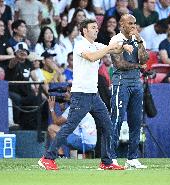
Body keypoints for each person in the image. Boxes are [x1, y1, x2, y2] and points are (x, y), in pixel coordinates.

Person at [38, 19, 126, 170]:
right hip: (80, 94)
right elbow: (92, 57)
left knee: (107, 125)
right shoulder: (80, 44)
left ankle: (106, 162)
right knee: (70, 126)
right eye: (93, 27)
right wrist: (110, 47)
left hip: (94, 95)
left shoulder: (96, 45)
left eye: (96, 27)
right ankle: (47, 158)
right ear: (84, 31)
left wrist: (125, 44)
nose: (96, 29)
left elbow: (116, 50)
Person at [109, 14, 149, 169]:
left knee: (136, 121)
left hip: (136, 83)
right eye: (130, 23)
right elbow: (119, 64)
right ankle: (111, 158)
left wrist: (139, 40)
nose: (133, 26)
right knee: (117, 119)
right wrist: (138, 67)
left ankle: (132, 158)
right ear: (122, 24)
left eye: (134, 23)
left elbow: (144, 59)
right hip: (121, 82)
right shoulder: (116, 40)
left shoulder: (139, 39)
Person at [47, 92, 97, 157]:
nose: (64, 94)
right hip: (91, 143)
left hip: (83, 142)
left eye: (68, 92)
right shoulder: (82, 106)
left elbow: (56, 122)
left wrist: (51, 108)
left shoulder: (72, 108)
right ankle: (73, 159)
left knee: (51, 128)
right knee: (69, 132)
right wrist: (63, 109)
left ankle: (61, 155)